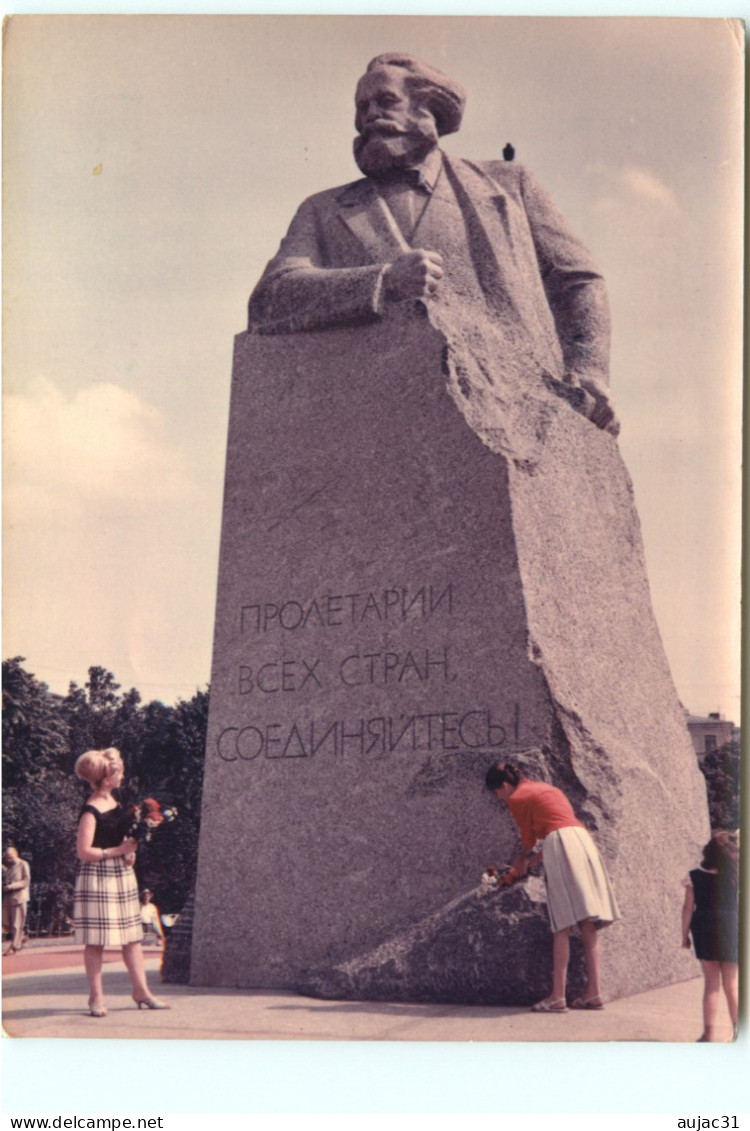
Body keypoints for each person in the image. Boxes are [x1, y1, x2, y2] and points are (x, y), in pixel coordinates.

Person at [247, 52, 618, 436]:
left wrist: (589, 371)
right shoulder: (323, 209)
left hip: (524, 406)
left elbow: (578, 280)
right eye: (362, 107)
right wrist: (383, 282)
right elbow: (269, 299)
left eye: (386, 101)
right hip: (376, 424)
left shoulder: (509, 186)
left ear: (427, 109)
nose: (370, 115)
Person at [485, 760, 620, 1012]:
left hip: (560, 842)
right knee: (587, 923)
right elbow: (556, 831)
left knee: (562, 925)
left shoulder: (518, 797)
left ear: (504, 786)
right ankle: (595, 993)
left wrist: (521, 859)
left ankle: (557, 996)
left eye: (497, 793)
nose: (500, 798)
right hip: (581, 841)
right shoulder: (547, 789)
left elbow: (529, 839)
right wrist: (531, 862)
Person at [73, 747, 170, 1016]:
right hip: (97, 877)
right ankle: (96, 999)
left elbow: (122, 839)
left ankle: (141, 991)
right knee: (95, 941)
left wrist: (131, 853)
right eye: (119, 772)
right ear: (107, 779)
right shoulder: (90, 810)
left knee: (132, 937)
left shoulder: (116, 804)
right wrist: (118, 851)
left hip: (122, 876)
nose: (122, 775)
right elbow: (83, 852)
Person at [681, 831, 739, 1042]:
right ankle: (738, 1030)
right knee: (732, 984)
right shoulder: (737, 877)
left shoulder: (694, 876)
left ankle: (709, 1032)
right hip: (732, 927)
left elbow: (688, 908)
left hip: (704, 928)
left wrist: (684, 935)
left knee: (711, 984)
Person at [2, 846, 31, 955]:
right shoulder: (9, 867)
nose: (8, 859)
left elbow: (26, 881)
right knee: (4, 921)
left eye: (10, 857)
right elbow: (7, 880)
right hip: (8, 897)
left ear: (16, 853)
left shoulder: (23, 864)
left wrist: (12, 886)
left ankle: (14, 946)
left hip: (19, 897)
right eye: (7, 857)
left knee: (16, 924)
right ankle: (21, 937)